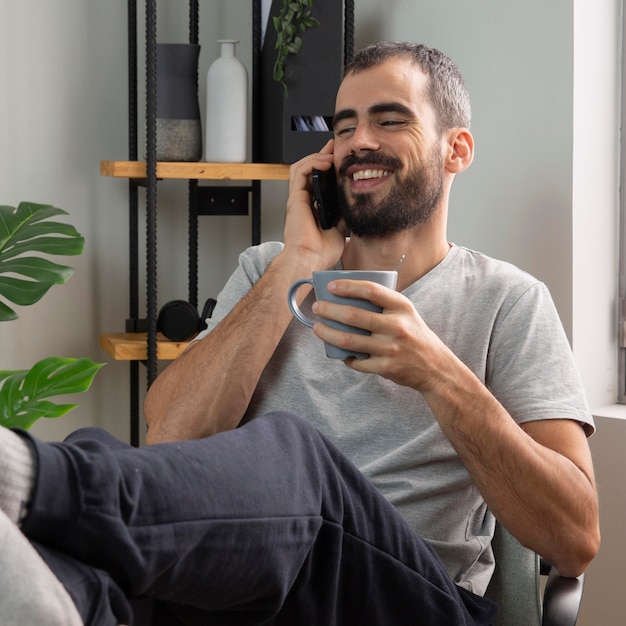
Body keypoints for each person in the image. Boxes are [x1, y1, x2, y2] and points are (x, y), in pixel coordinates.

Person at [0, 42, 599, 626]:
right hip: (250, 588)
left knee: (301, 458)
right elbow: (171, 438)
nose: (358, 141)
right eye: (341, 128)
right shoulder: (267, 270)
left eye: (389, 120)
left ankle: (27, 476)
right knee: (87, 578)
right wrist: (296, 262)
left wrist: (436, 372)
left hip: (411, 598)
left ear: (456, 150)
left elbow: (574, 539)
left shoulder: (508, 301)